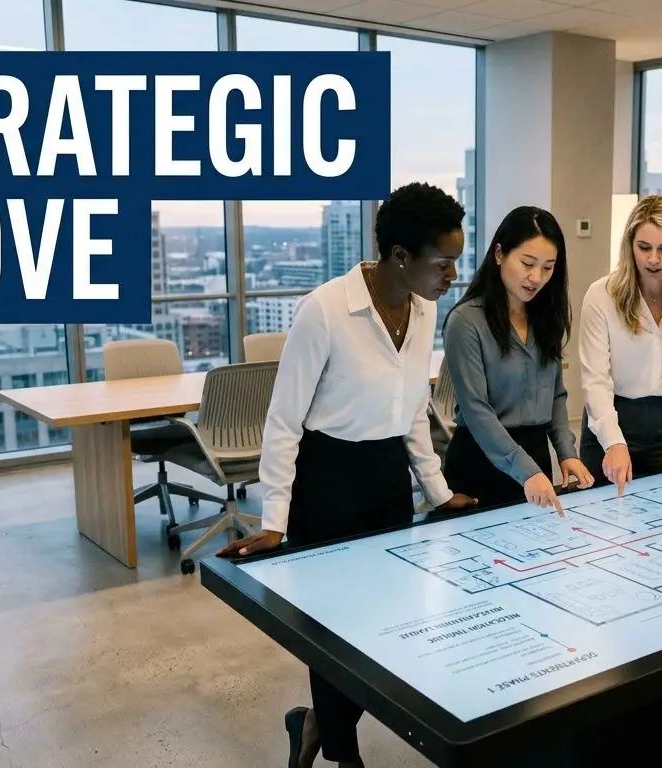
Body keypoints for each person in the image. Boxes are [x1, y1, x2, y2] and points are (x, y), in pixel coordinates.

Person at [216, 181, 477, 768]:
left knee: (381, 628)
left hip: (388, 477)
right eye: (444, 261)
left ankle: (311, 725)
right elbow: (283, 421)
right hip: (327, 477)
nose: (452, 275)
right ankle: (343, 752)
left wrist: (436, 493)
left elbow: (412, 408)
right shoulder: (326, 310)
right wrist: (274, 520)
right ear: (401, 256)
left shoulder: (425, 308)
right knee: (332, 632)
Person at [441, 205, 593, 514]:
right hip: (481, 460)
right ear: (499, 254)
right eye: (527, 263)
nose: (536, 277)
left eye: (548, 267)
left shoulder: (546, 317)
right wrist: (527, 471)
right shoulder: (465, 321)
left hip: (534, 457)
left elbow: (555, 395)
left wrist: (567, 453)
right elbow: (476, 410)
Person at [578, 194, 662, 493]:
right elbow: (595, 379)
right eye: (644, 248)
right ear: (630, 245)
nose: (654, 259)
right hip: (609, 425)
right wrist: (614, 442)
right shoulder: (601, 295)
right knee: (603, 529)